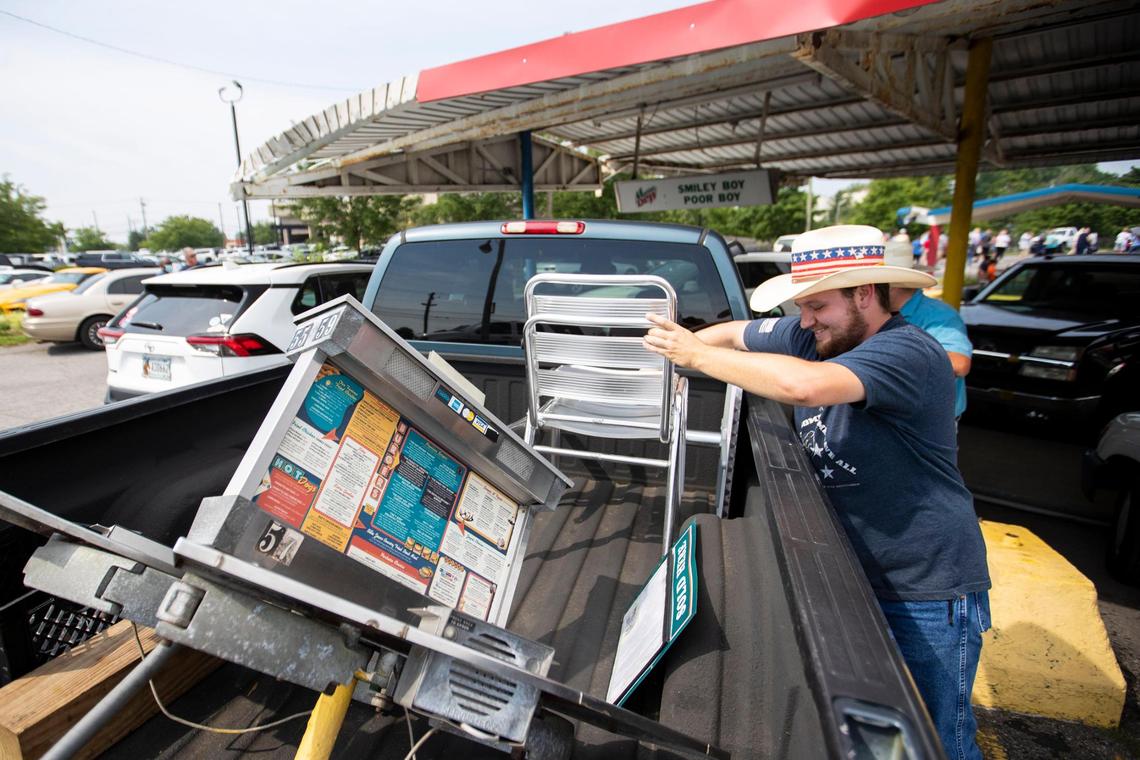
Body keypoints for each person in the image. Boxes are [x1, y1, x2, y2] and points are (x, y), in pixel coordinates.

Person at [642, 225, 991, 760]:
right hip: (854, 574)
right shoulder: (817, 334)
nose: (804, 320)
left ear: (865, 294)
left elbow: (803, 386)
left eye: (817, 305)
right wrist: (682, 344)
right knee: (878, 739)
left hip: (925, 586)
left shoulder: (907, 352)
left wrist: (695, 357)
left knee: (938, 741)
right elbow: (739, 333)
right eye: (801, 306)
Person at [884, 245, 972, 420]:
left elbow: (959, 363)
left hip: (928, 420)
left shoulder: (940, 315)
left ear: (891, 285)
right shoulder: (881, 312)